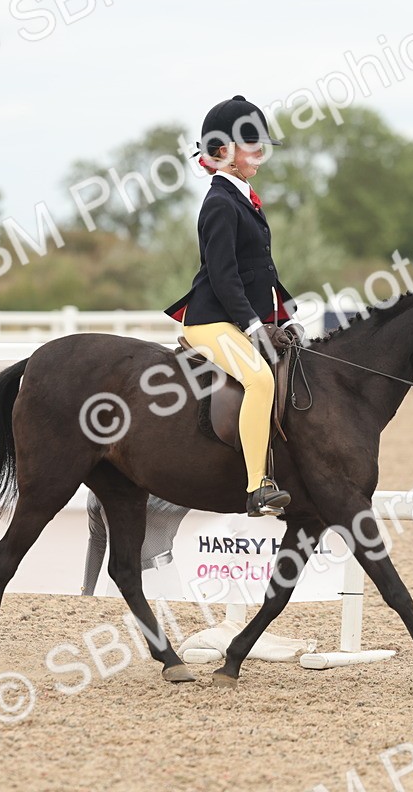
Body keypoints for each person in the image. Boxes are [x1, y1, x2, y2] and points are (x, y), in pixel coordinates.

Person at [165, 95, 305, 517]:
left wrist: (283, 315)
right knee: (260, 380)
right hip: (211, 322)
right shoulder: (220, 203)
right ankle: (257, 487)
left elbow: (259, 269)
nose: (260, 156)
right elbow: (224, 276)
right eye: (253, 147)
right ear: (223, 151)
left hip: (236, 318)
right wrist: (253, 327)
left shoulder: (243, 198)